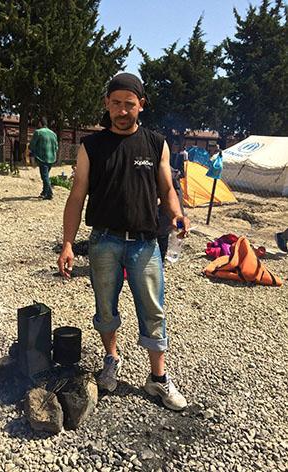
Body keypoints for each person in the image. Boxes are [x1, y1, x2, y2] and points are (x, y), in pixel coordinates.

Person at [57, 72, 190, 411]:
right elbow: (76, 197)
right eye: (116, 103)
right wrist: (68, 243)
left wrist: (176, 214)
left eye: (129, 104)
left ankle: (158, 379)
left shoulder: (155, 142)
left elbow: (167, 189)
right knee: (105, 310)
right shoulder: (91, 146)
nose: (122, 110)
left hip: (145, 244)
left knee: (153, 310)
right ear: (107, 104)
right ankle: (111, 358)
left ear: (140, 106)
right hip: (104, 242)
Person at [29, 117, 58, 200]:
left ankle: (49, 193)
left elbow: (32, 145)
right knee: (46, 176)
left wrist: (31, 155)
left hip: (42, 157)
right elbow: (56, 147)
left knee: (44, 177)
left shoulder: (38, 132)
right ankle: (44, 192)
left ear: (40, 123)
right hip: (52, 158)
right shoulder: (53, 134)